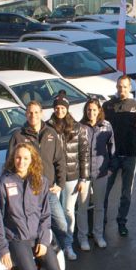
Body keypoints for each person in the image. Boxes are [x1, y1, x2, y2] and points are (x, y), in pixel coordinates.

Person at [7, 101, 73, 264]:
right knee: (37, 227)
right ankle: (47, 255)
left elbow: (60, 161)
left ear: (42, 113)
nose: (33, 116)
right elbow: (10, 163)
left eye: (36, 112)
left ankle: (67, 247)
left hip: (49, 190)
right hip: (29, 193)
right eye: (30, 113)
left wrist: (60, 184)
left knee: (61, 224)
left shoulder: (50, 133)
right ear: (25, 114)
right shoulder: (18, 136)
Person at [48, 92, 89, 259]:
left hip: (72, 176)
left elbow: (84, 153)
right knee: (54, 214)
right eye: (57, 107)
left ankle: (68, 244)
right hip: (53, 177)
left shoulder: (77, 127)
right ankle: (57, 244)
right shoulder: (47, 127)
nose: (59, 110)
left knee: (68, 211)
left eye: (62, 107)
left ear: (67, 108)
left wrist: (83, 178)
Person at [103, 75, 136, 237]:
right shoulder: (107, 106)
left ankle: (122, 222)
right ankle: (102, 221)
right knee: (105, 191)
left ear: (130, 88)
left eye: (125, 87)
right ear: (116, 87)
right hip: (111, 157)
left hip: (130, 156)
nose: (122, 90)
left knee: (126, 193)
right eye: (119, 86)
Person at [77, 97, 115, 250]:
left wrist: (111, 167)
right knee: (82, 207)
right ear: (85, 111)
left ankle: (98, 235)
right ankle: (83, 237)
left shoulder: (106, 126)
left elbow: (112, 147)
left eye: (94, 109)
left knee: (99, 206)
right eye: (89, 110)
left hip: (101, 172)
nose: (91, 112)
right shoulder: (79, 127)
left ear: (99, 110)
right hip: (83, 175)